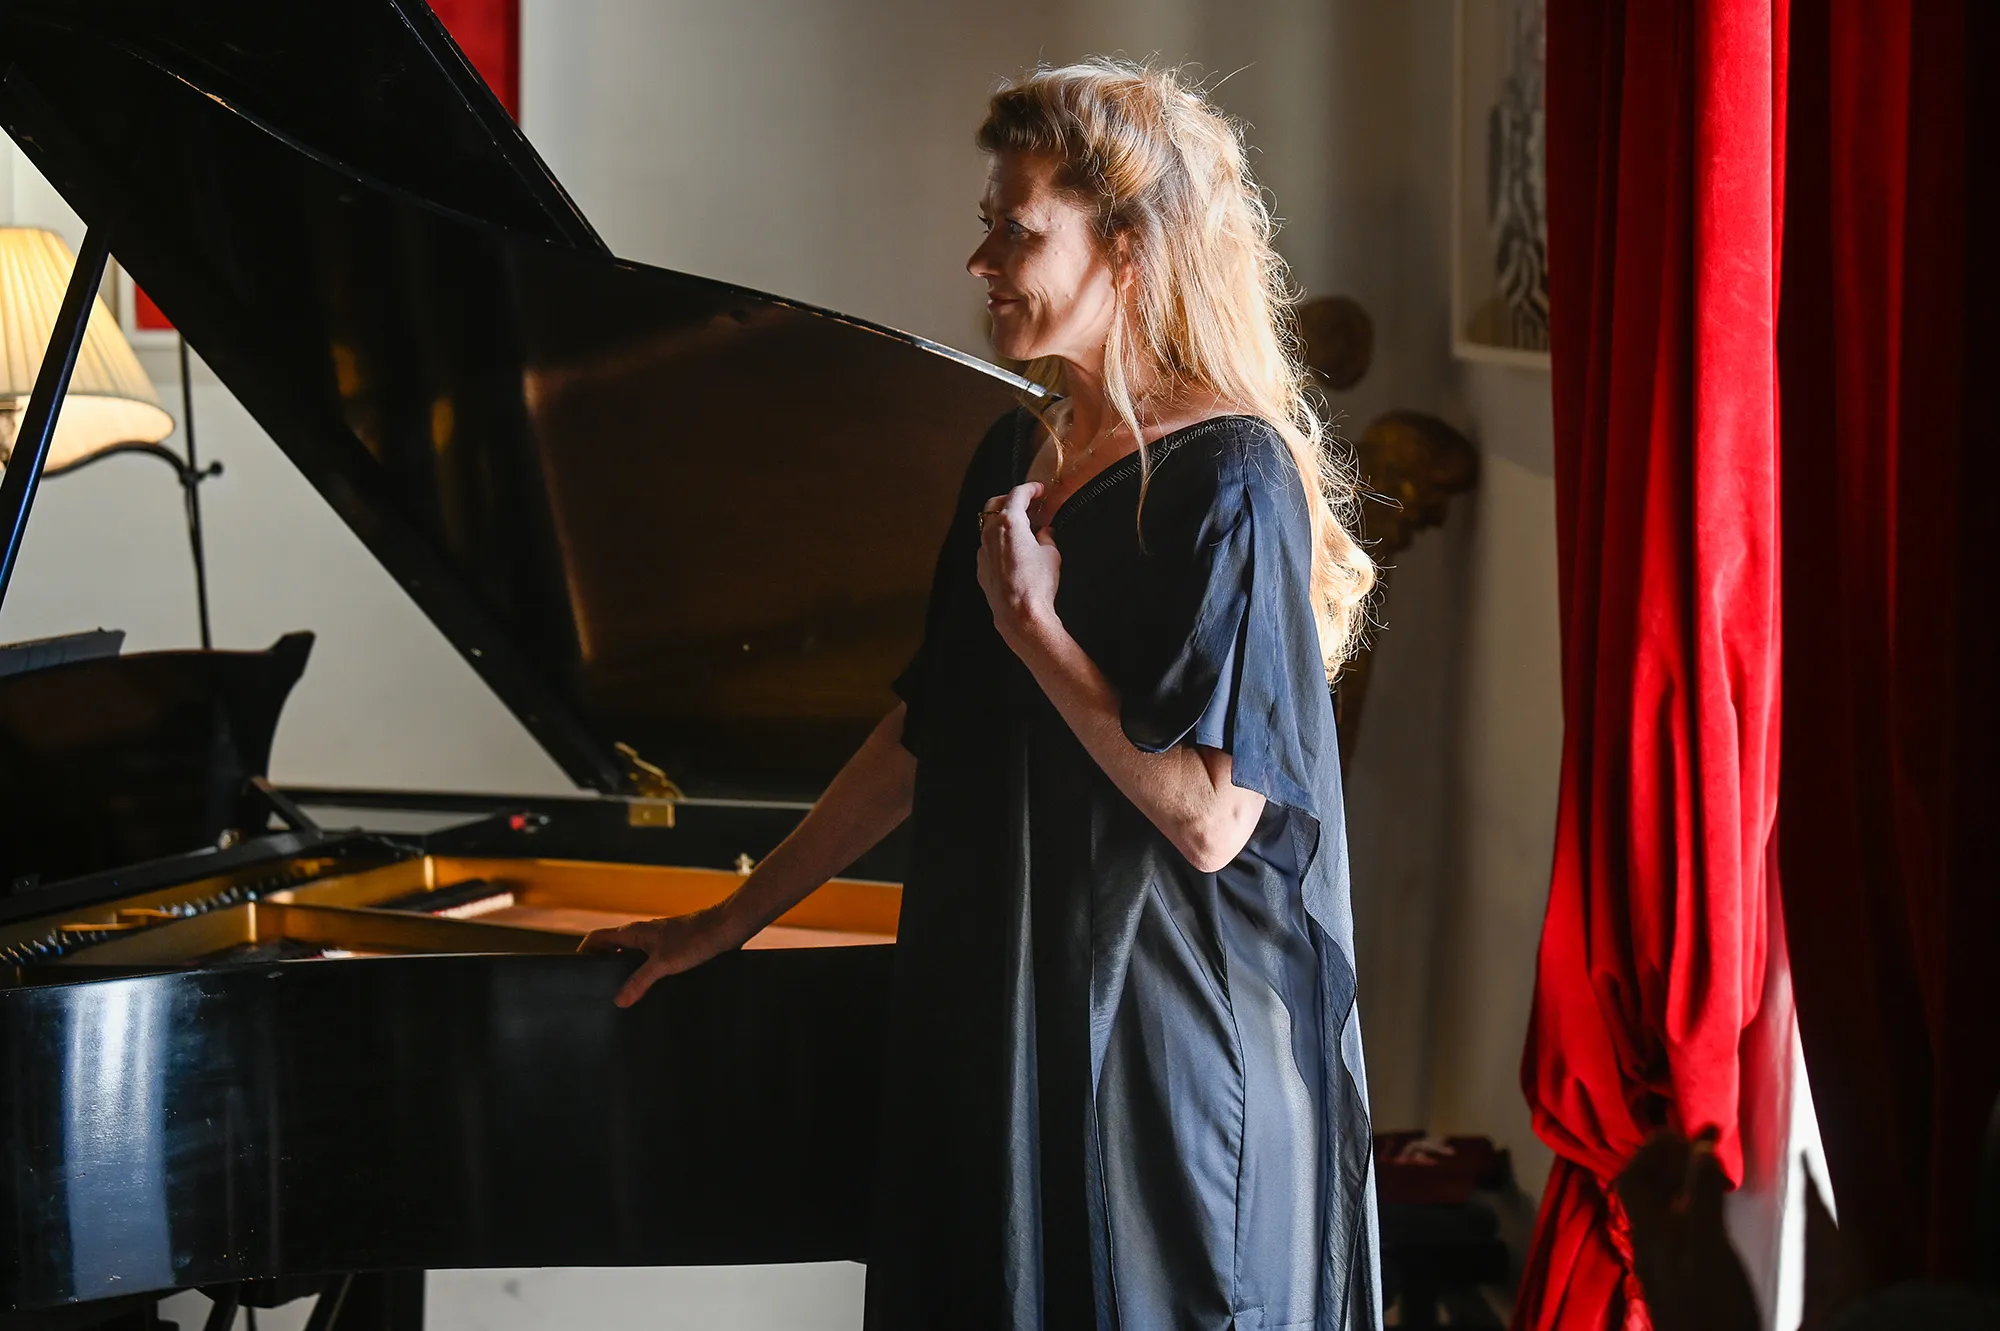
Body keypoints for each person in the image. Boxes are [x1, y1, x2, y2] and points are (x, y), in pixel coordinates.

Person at [582, 58, 1382, 1331]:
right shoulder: (1017, 447)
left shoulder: (1231, 476)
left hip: (1155, 1058)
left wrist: (1033, 626)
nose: (979, 261)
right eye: (984, 224)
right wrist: (725, 921)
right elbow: (925, 728)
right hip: (1001, 1013)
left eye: (1016, 229)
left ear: (1128, 248)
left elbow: (1208, 820)